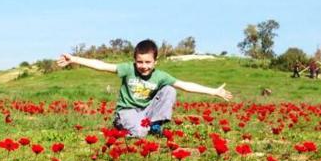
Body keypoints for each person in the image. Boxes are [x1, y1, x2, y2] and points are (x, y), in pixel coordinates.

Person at [57, 39, 232, 138]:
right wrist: (74, 59)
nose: (143, 66)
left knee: (170, 89)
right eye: (140, 62)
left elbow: (185, 85)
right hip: (127, 110)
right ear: (135, 61)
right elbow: (102, 65)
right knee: (140, 133)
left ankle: (155, 125)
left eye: (148, 62)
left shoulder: (161, 76)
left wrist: (213, 91)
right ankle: (121, 128)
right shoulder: (128, 69)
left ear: (155, 62)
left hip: (146, 111)